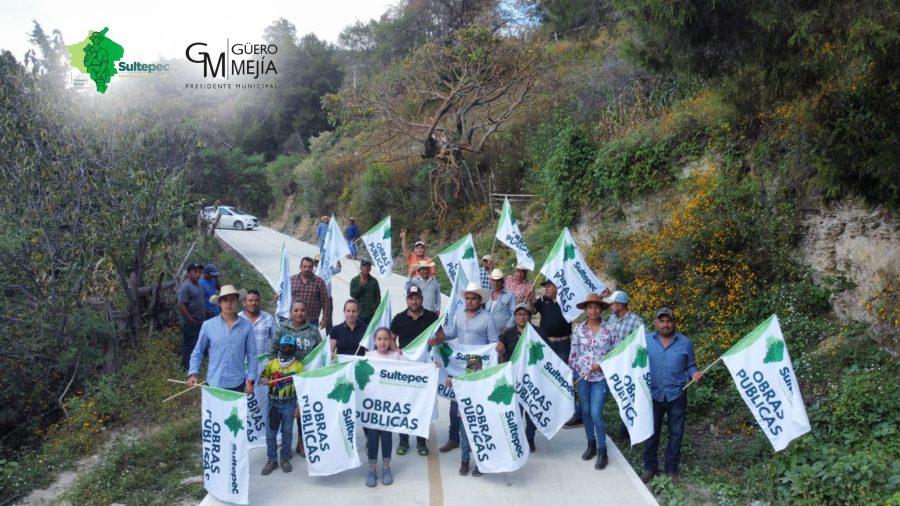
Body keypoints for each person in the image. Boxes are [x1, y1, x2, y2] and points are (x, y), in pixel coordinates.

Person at [438, 282, 502, 453]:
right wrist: (438, 336)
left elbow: (493, 342)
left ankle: (475, 440)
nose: (469, 301)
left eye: (473, 298)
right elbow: (451, 333)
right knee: (454, 404)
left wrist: (498, 348)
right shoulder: (459, 314)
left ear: (480, 300)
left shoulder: (487, 318)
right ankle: (454, 439)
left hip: (476, 365)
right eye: (467, 298)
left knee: (473, 405)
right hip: (459, 364)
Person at [641, 308, 702, 484]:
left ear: (674, 322)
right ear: (655, 322)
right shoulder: (646, 341)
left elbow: (690, 365)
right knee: (651, 433)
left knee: (676, 433)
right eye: (662, 321)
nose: (665, 324)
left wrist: (694, 373)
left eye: (669, 321)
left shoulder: (685, 342)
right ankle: (649, 468)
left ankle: (671, 469)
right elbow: (638, 363)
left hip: (677, 394)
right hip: (653, 394)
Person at [569, 293, 618, 470]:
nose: (593, 310)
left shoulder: (609, 330)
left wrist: (603, 365)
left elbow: (615, 353)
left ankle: (602, 449)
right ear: (585, 309)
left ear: (601, 309)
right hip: (583, 377)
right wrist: (574, 373)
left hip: (601, 378)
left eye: (596, 307)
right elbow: (574, 354)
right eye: (590, 307)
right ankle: (591, 444)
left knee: (597, 412)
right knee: (587, 412)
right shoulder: (579, 329)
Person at [390, 286, 439, 456]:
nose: (414, 301)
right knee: (403, 405)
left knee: (421, 405)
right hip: (405, 369)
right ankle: (403, 441)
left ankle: (420, 441)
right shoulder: (399, 318)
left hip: (423, 370)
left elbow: (441, 335)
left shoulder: (432, 317)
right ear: (407, 300)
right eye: (411, 298)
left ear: (422, 299)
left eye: (417, 297)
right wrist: (395, 349)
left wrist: (436, 340)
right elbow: (391, 337)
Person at [271, 300, 320, 457]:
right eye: (296, 310)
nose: (299, 313)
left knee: (303, 412)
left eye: (302, 310)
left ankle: (301, 442)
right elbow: (272, 352)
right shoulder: (282, 329)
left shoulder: (313, 331)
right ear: (291, 312)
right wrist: (279, 370)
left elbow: (320, 352)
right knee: (286, 412)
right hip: (285, 379)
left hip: (306, 378)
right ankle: (286, 446)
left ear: (307, 312)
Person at [187, 285, 257, 393]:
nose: (228, 304)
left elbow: (252, 356)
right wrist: (193, 373)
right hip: (213, 383)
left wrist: (251, 381)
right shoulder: (208, 325)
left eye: (232, 300)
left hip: (237, 384)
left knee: (234, 410)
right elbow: (198, 351)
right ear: (219, 303)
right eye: (225, 300)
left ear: (237, 302)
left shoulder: (247, 327)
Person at [499, 303, 545, 452]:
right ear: (514, 317)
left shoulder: (538, 332)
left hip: (533, 378)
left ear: (530, 317)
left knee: (532, 410)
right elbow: (502, 355)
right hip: (514, 379)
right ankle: (517, 437)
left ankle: (530, 437)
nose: (522, 317)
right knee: (516, 410)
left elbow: (546, 354)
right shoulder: (507, 334)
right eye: (519, 314)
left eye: (525, 314)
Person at [534, 279, 580, 428]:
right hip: (547, 344)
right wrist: (529, 300)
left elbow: (581, 302)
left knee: (565, 378)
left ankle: (573, 414)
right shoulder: (543, 300)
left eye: (548, 286)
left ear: (556, 287)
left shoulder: (567, 300)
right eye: (545, 286)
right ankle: (555, 411)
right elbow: (532, 310)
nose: (545, 289)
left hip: (563, 344)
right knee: (549, 376)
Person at [603, 290, 646, 439]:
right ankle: (625, 428)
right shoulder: (612, 319)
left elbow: (643, 345)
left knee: (628, 395)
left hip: (629, 367)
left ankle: (628, 431)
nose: (610, 306)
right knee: (619, 395)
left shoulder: (636, 321)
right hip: (615, 366)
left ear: (620, 305)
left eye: (612, 303)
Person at [363, 327, 403, 487]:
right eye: (379, 339)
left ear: (391, 341)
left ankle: (386, 468)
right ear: (374, 341)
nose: (382, 342)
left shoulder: (397, 356)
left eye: (386, 338)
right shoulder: (367, 356)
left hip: (389, 407)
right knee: (372, 439)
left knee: (386, 438)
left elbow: (414, 373)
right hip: (372, 407)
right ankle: (372, 470)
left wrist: (432, 366)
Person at [259, 335, 304, 475]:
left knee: (287, 432)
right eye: (284, 347)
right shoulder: (272, 363)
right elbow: (262, 376)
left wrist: (298, 406)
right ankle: (272, 460)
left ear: (294, 348)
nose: (287, 349)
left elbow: (302, 388)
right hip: (273, 403)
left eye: (290, 347)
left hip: (289, 404)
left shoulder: (298, 365)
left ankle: (285, 458)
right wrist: (264, 379)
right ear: (280, 347)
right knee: (271, 433)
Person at [448, 355, 484, 477]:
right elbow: (449, 383)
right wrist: (450, 381)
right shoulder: (462, 379)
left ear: (482, 367)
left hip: (481, 417)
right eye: (472, 366)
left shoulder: (485, 380)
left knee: (480, 439)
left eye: (478, 366)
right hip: (464, 416)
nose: (475, 369)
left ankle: (481, 463)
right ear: (467, 367)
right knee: (464, 439)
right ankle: (465, 461)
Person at [177, 263, 206, 372]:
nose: (198, 274)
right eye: (195, 272)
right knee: (189, 345)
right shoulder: (186, 286)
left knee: (197, 345)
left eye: (199, 272)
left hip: (199, 321)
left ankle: (194, 367)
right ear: (189, 273)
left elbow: (198, 301)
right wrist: (190, 319)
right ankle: (186, 368)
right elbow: (180, 305)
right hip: (190, 322)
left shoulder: (198, 285)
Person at [290, 257, 331, 331]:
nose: (307, 269)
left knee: (312, 342)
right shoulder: (292, 280)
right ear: (300, 267)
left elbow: (325, 302)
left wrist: (324, 319)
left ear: (313, 268)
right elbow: (284, 297)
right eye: (304, 266)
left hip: (312, 322)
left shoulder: (319, 282)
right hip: (294, 321)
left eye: (309, 267)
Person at [239, 289, 276, 358]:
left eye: (257, 300)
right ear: (244, 303)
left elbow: (275, 340)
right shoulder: (237, 319)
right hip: (242, 363)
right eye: (250, 300)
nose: (254, 303)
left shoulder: (268, 318)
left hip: (263, 363)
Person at [312, 254, 341, 335]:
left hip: (327, 299)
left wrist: (337, 257)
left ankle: (329, 339)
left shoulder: (328, 270)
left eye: (321, 262)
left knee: (328, 320)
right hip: (316, 299)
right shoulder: (313, 271)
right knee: (314, 319)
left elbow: (338, 269)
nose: (319, 263)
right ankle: (314, 338)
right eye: (317, 262)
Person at [486, 269, 516, 335]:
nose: (496, 283)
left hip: (505, 333)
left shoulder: (510, 295)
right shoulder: (488, 295)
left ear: (502, 281)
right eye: (494, 280)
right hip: (489, 332)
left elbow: (514, 314)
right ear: (490, 281)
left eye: (498, 281)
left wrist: (507, 328)